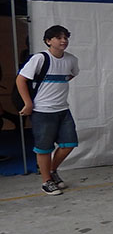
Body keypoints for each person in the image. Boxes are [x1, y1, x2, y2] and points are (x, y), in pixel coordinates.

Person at [16, 25, 79, 196]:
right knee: (44, 148)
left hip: (63, 109)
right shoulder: (40, 59)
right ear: (48, 41)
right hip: (42, 111)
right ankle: (46, 181)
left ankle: (51, 171)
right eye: (59, 38)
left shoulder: (71, 60)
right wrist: (28, 103)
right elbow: (20, 79)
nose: (63, 41)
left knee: (69, 144)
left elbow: (72, 74)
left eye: (65, 37)